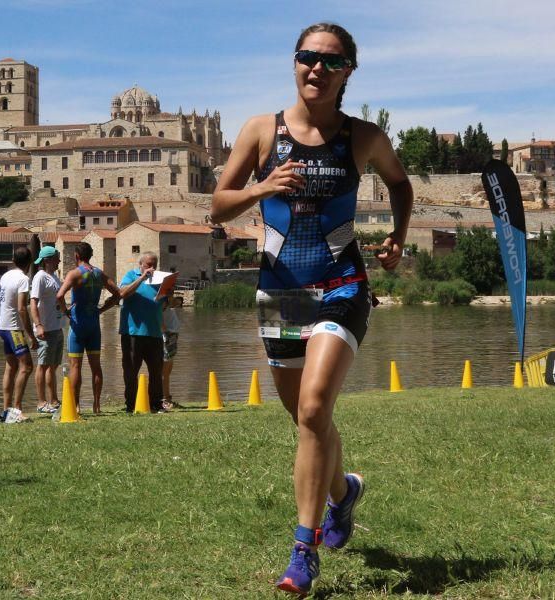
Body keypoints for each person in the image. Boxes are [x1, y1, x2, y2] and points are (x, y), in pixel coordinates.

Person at [211, 23, 412, 596]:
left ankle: (305, 549)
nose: (316, 69)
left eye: (330, 61)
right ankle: (343, 494)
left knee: (317, 405)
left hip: (343, 285)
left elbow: (400, 184)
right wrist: (260, 187)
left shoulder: (364, 137)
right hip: (282, 292)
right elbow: (218, 209)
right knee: (307, 419)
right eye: (307, 58)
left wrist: (397, 237)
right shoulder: (259, 131)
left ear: (349, 70)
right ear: (294, 63)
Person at [56, 242, 122, 414]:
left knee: (75, 366)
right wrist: (102, 309)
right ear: (90, 255)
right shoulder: (98, 274)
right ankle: (97, 405)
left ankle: (76, 406)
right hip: (94, 324)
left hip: (78, 325)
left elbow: (60, 295)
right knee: (96, 366)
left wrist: (65, 312)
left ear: (77, 256)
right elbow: (118, 293)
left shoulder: (74, 274)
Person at [118, 252, 168, 414]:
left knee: (156, 371)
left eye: (154, 265)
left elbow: (164, 305)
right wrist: (141, 279)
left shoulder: (160, 280)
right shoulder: (131, 275)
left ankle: (156, 404)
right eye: (148, 265)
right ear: (141, 265)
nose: (151, 268)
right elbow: (123, 293)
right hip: (133, 332)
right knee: (131, 370)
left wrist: (168, 292)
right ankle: (131, 405)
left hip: (154, 333)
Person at [0, 246, 37, 424]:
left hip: (3, 326)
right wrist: (31, 334)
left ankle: (6, 410)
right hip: (14, 328)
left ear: (14, 261)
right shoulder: (23, 279)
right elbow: (22, 308)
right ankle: (16, 409)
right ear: (29, 263)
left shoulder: (5, 276)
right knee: (27, 366)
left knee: (11, 367)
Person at [30, 246, 64, 414]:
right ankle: (41, 402)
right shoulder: (40, 277)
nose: (59, 260)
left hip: (57, 327)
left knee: (53, 365)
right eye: (57, 258)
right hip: (46, 328)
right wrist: (38, 325)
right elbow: (33, 302)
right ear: (48, 260)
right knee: (43, 365)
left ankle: (54, 400)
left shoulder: (54, 277)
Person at [160, 290, 181, 410]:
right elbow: (159, 316)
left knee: (167, 372)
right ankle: (164, 399)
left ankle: (167, 397)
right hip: (166, 337)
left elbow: (177, 302)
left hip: (172, 337)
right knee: (164, 372)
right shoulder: (160, 304)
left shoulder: (167, 304)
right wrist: (165, 331)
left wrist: (169, 296)